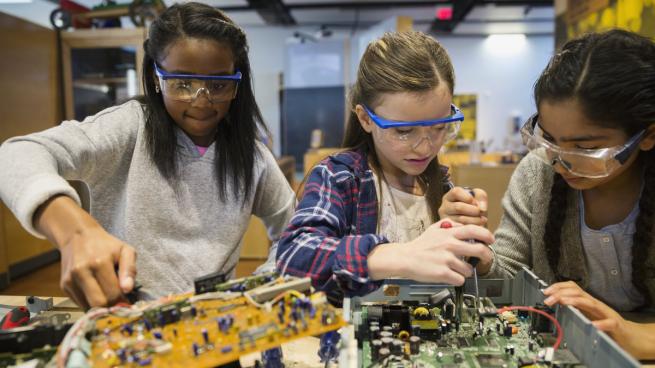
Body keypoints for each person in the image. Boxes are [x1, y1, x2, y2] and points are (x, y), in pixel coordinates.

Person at [0, 3, 294, 309]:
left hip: (212, 321)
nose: (201, 101)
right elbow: (15, 154)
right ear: (156, 77)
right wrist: (75, 233)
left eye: (218, 85)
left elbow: (295, 231)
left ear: (238, 81)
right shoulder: (130, 127)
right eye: (182, 83)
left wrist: (260, 286)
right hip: (127, 316)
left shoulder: (252, 155)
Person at [440, 29, 655, 358]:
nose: (561, 161)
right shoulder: (537, 174)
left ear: (647, 136)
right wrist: (472, 248)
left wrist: (633, 334)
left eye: (586, 147)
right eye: (549, 139)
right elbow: (508, 274)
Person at [275, 31, 494, 303]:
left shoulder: (440, 186)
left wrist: (469, 242)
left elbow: (461, 276)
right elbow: (295, 256)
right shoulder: (340, 178)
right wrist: (400, 255)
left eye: (440, 128)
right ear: (366, 119)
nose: (425, 147)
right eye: (403, 131)